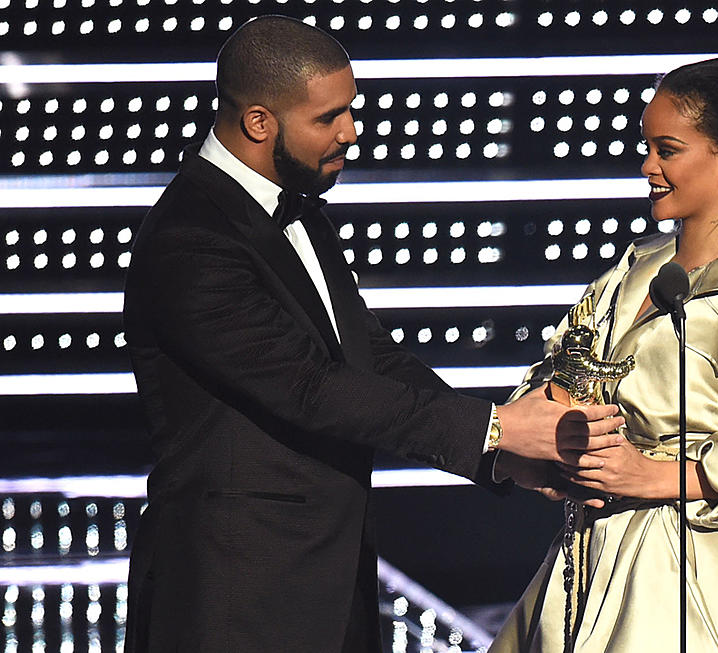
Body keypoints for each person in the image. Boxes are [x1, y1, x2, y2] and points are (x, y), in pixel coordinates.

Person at [121, 15, 623, 653]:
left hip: (327, 585)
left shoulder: (300, 211)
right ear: (258, 123)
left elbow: (371, 357)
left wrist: (500, 454)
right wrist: (494, 425)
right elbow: (311, 388)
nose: (350, 134)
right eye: (327, 118)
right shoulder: (190, 241)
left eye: (350, 111)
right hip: (234, 595)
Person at [489, 57, 718, 652]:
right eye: (647, 147)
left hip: (685, 569)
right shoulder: (632, 271)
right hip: (587, 549)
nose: (649, 166)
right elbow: (563, 371)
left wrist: (651, 475)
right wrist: (548, 448)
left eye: (668, 149)